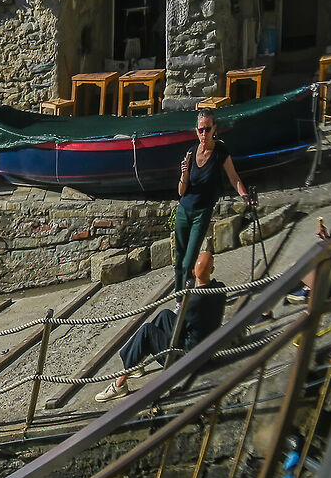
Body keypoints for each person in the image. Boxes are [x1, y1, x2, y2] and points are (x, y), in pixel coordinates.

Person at [98, 245, 228, 401]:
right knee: (164, 315)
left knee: (147, 331)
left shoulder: (193, 300)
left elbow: (182, 326)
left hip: (188, 358)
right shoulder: (220, 289)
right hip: (204, 349)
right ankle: (136, 362)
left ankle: (120, 383)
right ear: (212, 270)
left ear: (193, 271)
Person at [172, 109, 250, 294]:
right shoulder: (191, 152)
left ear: (215, 128)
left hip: (202, 212)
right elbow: (181, 191)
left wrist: (245, 196)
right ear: (196, 130)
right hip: (184, 210)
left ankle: (187, 295)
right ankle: (179, 298)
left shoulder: (220, 152)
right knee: (178, 260)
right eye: (200, 130)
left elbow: (234, 178)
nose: (204, 134)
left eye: (207, 129)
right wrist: (184, 174)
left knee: (188, 260)